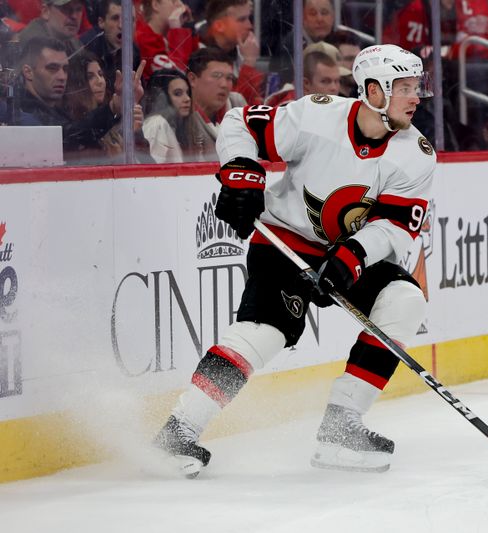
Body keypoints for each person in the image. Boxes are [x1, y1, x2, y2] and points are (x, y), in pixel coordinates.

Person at [153, 44, 435, 478]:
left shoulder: (416, 153)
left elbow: (395, 227)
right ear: (374, 91)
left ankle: (342, 426)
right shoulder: (316, 117)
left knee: (404, 300)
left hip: (348, 251)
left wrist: (350, 259)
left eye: (418, 86)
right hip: (285, 241)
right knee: (263, 334)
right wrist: (242, 173)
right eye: (405, 87)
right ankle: (178, 431)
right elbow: (238, 123)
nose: (416, 97)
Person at [13, 37, 146, 155]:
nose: (62, 76)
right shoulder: (21, 114)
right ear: (28, 72)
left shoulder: (57, 112)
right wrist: (113, 107)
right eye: (52, 68)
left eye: (65, 69)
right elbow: (66, 138)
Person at [62, 50, 145, 162]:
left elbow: (148, 163)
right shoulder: (69, 121)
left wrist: (134, 132)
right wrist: (114, 107)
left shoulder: (114, 116)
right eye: (90, 77)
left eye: (101, 75)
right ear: (76, 83)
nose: (100, 81)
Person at [198, 0, 265, 105]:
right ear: (219, 26)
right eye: (242, 20)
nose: (249, 26)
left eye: (249, 18)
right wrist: (249, 63)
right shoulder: (198, 55)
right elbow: (235, 107)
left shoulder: (242, 51)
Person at [186, 47, 246, 160]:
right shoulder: (180, 113)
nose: (224, 84)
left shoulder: (237, 104)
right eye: (216, 76)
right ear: (192, 79)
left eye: (229, 78)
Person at [80, 0, 142, 93]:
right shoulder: (86, 49)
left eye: (129, 19)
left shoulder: (134, 51)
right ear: (101, 22)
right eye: (115, 18)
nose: (122, 26)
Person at [265, 42, 349, 106]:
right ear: (305, 84)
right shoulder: (290, 111)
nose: (334, 88)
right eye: (325, 81)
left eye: (337, 81)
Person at [142, 68, 198, 162]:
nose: (187, 99)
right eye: (178, 93)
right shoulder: (156, 124)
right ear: (160, 98)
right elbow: (151, 172)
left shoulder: (175, 127)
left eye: (187, 93)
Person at [135, 0, 198, 79]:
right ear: (155, 5)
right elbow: (175, 79)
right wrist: (177, 32)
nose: (180, 4)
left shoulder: (169, 37)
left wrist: (189, 27)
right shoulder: (143, 38)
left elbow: (198, 69)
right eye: (173, 1)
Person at [16, 0, 85, 56]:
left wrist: (89, 62)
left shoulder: (69, 39)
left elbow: (83, 55)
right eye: (66, 8)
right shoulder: (31, 45)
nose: (74, 16)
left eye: (78, 9)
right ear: (45, 12)